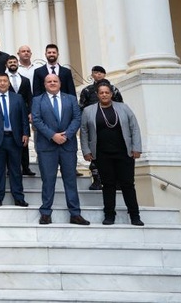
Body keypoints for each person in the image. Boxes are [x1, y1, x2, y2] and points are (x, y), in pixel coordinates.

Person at [80, 81, 144, 226]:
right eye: (101, 93)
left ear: (111, 94)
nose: (104, 95)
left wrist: (136, 147)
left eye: (106, 92)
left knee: (128, 184)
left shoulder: (123, 108)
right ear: (97, 95)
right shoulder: (88, 111)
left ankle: (134, 215)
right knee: (107, 185)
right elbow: (84, 132)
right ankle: (109, 215)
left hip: (124, 153)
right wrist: (86, 151)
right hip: (102, 154)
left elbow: (134, 127)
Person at [31, 74, 89, 225]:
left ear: (60, 83)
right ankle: (45, 213)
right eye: (49, 81)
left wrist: (67, 135)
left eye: (55, 81)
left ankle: (75, 213)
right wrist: (53, 135)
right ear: (44, 84)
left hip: (67, 146)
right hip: (47, 147)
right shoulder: (38, 100)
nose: (52, 83)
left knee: (70, 180)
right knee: (48, 181)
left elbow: (77, 118)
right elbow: (36, 120)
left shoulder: (70, 99)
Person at [0, 73, 30, 207]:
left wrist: (26, 133)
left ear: (9, 83)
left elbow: (24, 118)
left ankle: (18, 197)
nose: (2, 83)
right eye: (0, 81)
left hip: (14, 139)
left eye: (5, 81)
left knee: (16, 170)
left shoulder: (18, 98)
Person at [79, 66, 124, 190]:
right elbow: (81, 108)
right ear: (92, 75)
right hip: (94, 127)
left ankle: (117, 180)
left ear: (104, 74)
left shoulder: (113, 90)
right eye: (95, 73)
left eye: (100, 73)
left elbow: (121, 106)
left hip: (112, 127)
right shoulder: (87, 90)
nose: (98, 75)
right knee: (94, 155)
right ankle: (97, 180)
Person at [6, 55, 35, 176]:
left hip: (22, 114)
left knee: (24, 141)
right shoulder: (3, 79)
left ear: (18, 63)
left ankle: (26, 167)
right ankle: (10, 168)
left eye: (14, 62)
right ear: (6, 65)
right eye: (10, 62)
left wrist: (30, 112)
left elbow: (30, 97)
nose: (13, 63)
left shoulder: (25, 80)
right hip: (7, 113)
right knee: (8, 142)